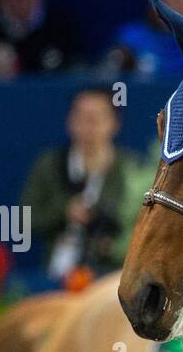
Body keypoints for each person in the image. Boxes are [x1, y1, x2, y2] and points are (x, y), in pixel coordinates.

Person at [21, 88, 137, 278]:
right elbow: (24, 220)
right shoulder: (50, 164)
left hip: (110, 280)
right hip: (56, 275)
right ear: (69, 122)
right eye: (80, 118)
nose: (87, 128)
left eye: (95, 119)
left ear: (114, 123)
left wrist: (111, 244)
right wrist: (64, 212)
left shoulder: (130, 169)